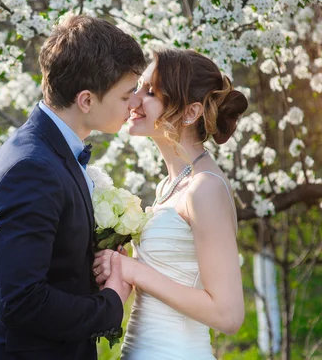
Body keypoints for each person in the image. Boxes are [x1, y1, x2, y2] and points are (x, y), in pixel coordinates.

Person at [0, 15, 147, 360]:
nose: (134, 104)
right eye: (126, 94)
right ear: (86, 100)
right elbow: (22, 300)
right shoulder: (30, 168)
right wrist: (111, 302)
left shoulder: (50, 150)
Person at [93, 48, 247, 359]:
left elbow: (229, 315)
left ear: (190, 113)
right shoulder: (170, 185)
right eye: (138, 88)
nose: (134, 100)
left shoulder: (206, 188)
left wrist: (135, 271)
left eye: (150, 92)